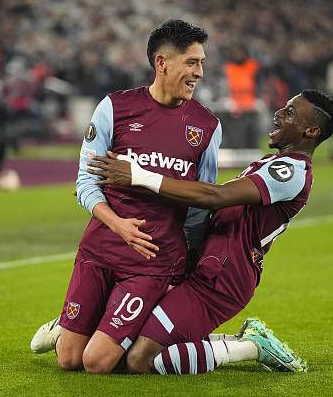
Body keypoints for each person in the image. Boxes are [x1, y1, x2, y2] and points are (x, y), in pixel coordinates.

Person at [84, 89, 333, 374]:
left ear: (311, 131)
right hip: (206, 265)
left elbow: (215, 197)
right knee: (125, 343)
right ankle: (232, 340)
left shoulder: (292, 173)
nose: (279, 114)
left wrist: (140, 176)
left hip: (225, 278)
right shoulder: (272, 162)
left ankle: (252, 347)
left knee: (139, 360)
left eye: (290, 112)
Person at [30, 20, 222, 374]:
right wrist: (118, 225)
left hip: (153, 259)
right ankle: (68, 328)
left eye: (202, 63)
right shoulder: (115, 108)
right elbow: (85, 183)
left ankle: (125, 325)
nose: (199, 72)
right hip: (101, 247)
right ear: (162, 63)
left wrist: (190, 259)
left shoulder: (207, 127)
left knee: (96, 362)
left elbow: (199, 203)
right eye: (192, 62)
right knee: (69, 359)